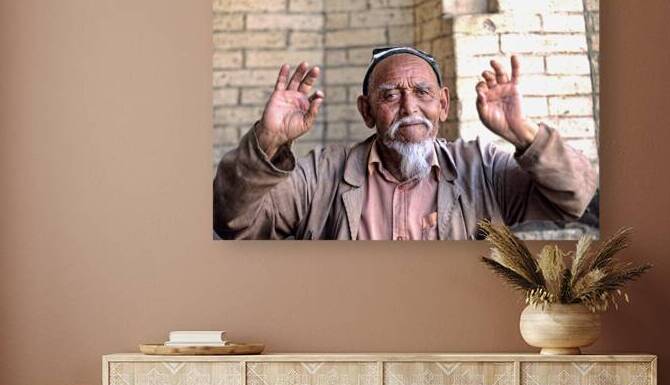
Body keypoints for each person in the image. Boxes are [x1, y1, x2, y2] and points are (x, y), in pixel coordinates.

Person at [214, 47, 597, 240]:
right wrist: (268, 139)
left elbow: (575, 196)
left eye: (422, 92)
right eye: (390, 96)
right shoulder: (321, 174)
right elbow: (234, 220)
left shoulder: (481, 168)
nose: (409, 107)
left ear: (442, 104)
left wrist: (522, 132)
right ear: (367, 111)